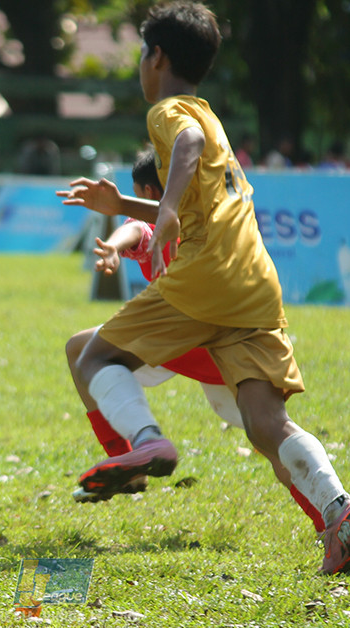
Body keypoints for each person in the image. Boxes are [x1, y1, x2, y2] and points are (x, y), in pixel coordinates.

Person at [56, 1, 350, 575]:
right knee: (265, 423)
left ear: (157, 56)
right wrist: (129, 205)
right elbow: (201, 179)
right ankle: (340, 512)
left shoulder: (168, 110)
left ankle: (148, 442)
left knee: (92, 353)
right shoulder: (209, 114)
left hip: (205, 277)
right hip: (254, 281)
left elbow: (183, 150)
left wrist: (168, 208)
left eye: (141, 55)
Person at [65, 149, 326, 533]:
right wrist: (117, 244)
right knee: (272, 438)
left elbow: (139, 228)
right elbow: (136, 230)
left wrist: (116, 243)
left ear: (151, 192)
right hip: (214, 347)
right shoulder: (219, 217)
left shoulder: (179, 221)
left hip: (195, 345)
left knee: (86, 353)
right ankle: (330, 518)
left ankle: (129, 456)